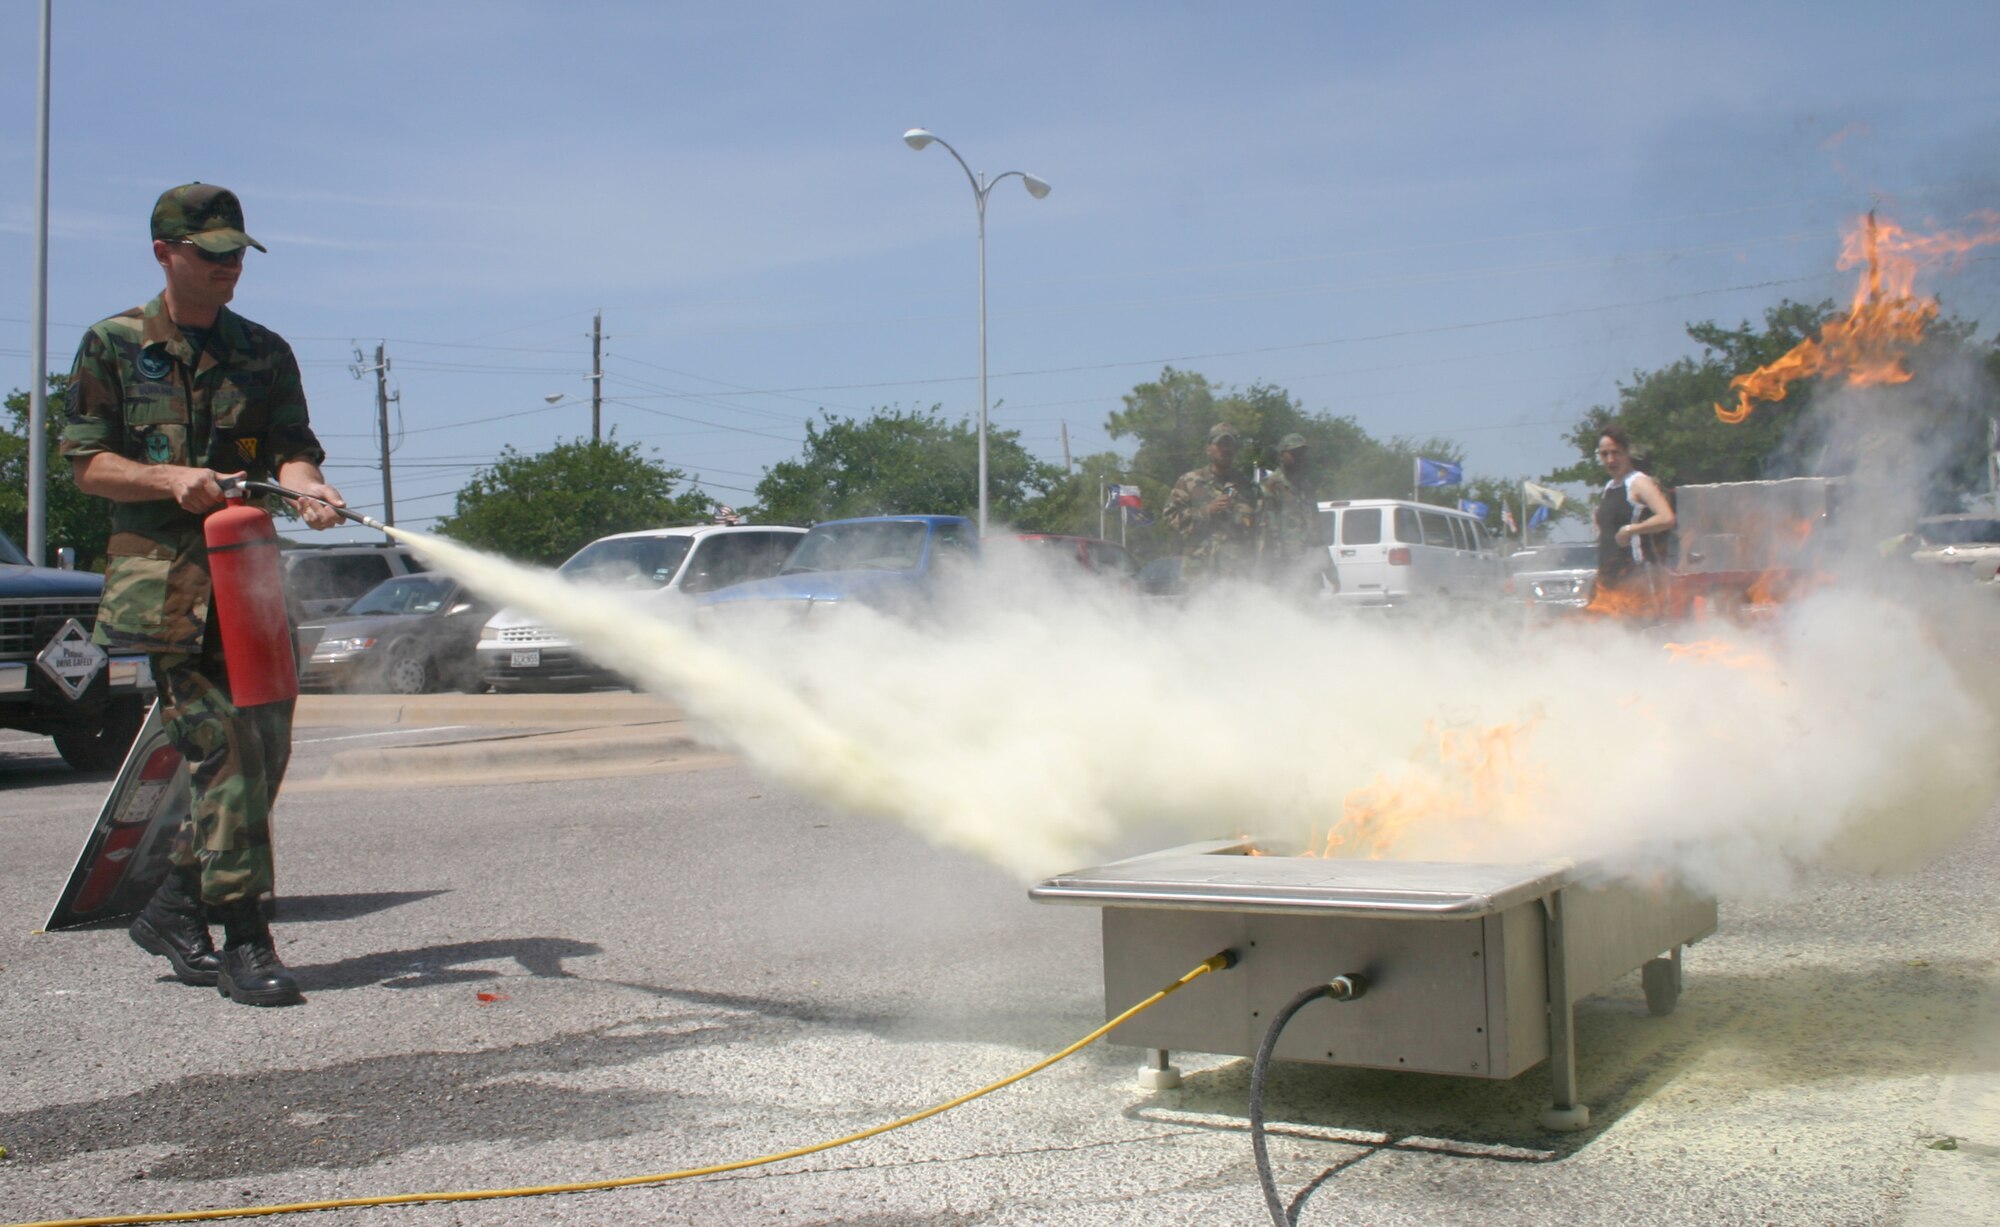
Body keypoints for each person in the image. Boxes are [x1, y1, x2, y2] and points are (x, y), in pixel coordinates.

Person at [60, 183, 346, 1008]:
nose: (227, 270)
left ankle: (175, 902)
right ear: (165, 253)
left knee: (269, 756)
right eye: (210, 254)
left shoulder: (264, 351)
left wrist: (309, 489)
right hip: (170, 591)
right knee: (225, 757)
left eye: (235, 256)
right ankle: (244, 939)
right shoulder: (113, 344)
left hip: (251, 584)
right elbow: (86, 463)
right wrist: (166, 476)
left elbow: (293, 449)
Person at [1165, 422, 1260, 585]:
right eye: (1220, 444)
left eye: (1230, 444)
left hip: (1237, 575)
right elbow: (1170, 518)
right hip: (1199, 574)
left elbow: (1260, 530)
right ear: (1209, 448)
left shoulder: (1248, 487)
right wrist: (1207, 510)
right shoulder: (1189, 482)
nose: (1226, 449)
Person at [1592, 424, 1675, 594]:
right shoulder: (1609, 487)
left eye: (1615, 453)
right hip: (1609, 576)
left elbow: (1667, 518)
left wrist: (1631, 530)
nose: (1610, 460)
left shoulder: (1638, 482)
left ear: (1626, 452)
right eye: (1604, 454)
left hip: (1636, 576)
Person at [1257, 432, 1327, 594]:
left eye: (1302, 453)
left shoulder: (1306, 488)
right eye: (1294, 453)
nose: (1300, 457)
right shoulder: (1270, 487)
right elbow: (1265, 532)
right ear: (1282, 455)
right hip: (1283, 569)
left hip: (1309, 568)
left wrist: (1329, 568)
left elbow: (1317, 531)